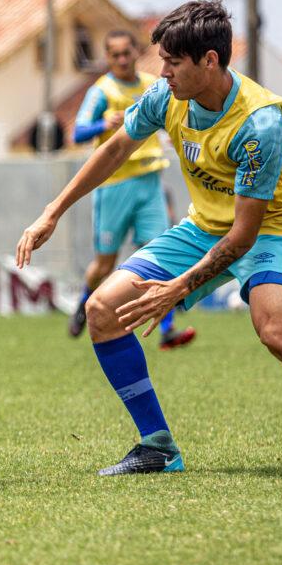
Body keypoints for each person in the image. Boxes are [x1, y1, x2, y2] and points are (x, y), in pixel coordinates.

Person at [16, 0, 282, 478]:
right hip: (204, 226)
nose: (162, 72)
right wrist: (52, 212)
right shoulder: (166, 97)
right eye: (161, 60)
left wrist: (179, 288)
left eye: (173, 62)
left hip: (270, 227)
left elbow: (243, 236)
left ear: (210, 60)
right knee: (102, 311)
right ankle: (158, 448)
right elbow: (116, 149)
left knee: (276, 329)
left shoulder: (260, 122)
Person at [69, 29, 195, 350]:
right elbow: (78, 133)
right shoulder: (102, 91)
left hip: (149, 181)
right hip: (114, 186)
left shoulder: (153, 85)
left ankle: (167, 329)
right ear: (108, 58)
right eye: (115, 55)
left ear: (137, 52)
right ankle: (84, 302)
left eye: (127, 53)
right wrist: (104, 124)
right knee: (104, 264)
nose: (123, 60)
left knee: (160, 254)